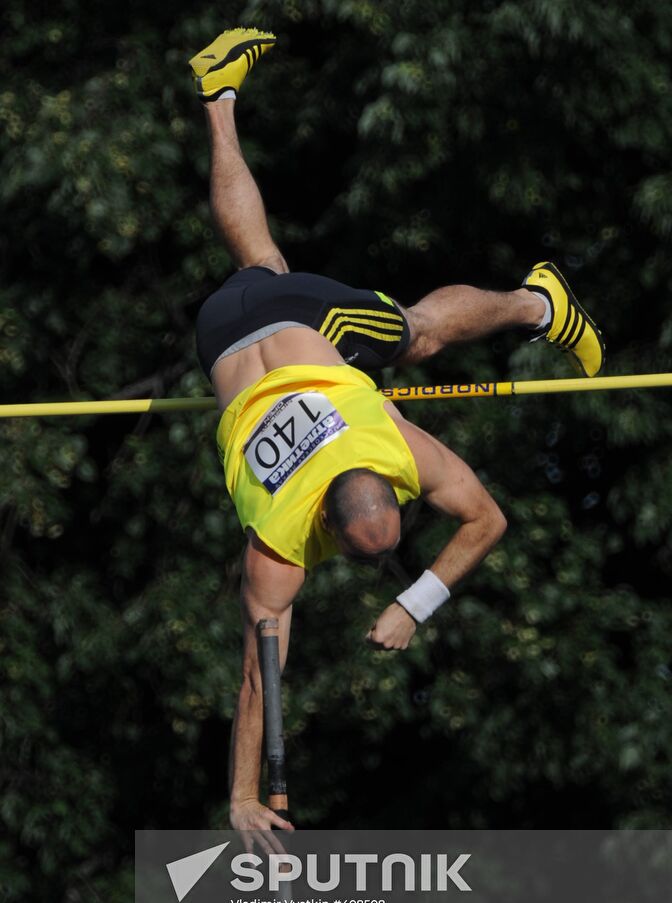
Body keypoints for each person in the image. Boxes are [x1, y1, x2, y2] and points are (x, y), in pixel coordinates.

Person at [188, 28, 606, 836]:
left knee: (390, 323)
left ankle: (538, 303)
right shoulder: (297, 521)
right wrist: (238, 798)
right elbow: (256, 675)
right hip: (227, 332)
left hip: (290, 322)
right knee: (328, 294)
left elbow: (485, 520)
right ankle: (220, 95)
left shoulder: (375, 456)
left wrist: (416, 604)